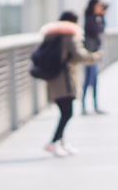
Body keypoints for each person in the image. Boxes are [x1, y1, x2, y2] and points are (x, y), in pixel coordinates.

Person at [40, 10, 100, 157]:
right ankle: (54, 142)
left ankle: (60, 142)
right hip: (65, 79)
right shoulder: (69, 36)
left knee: (64, 112)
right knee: (67, 112)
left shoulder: (50, 35)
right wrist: (94, 56)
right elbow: (78, 54)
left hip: (53, 78)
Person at [81, 0, 109, 115]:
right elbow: (96, 30)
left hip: (95, 53)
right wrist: (100, 17)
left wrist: (102, 16)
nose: (100, 8)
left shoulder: (98, 17)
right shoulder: (90, 18)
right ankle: (83, 106)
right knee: (88, 80)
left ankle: (94, 105)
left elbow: (102, 29)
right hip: (89, 54)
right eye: (98, 5)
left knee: (95, 81)